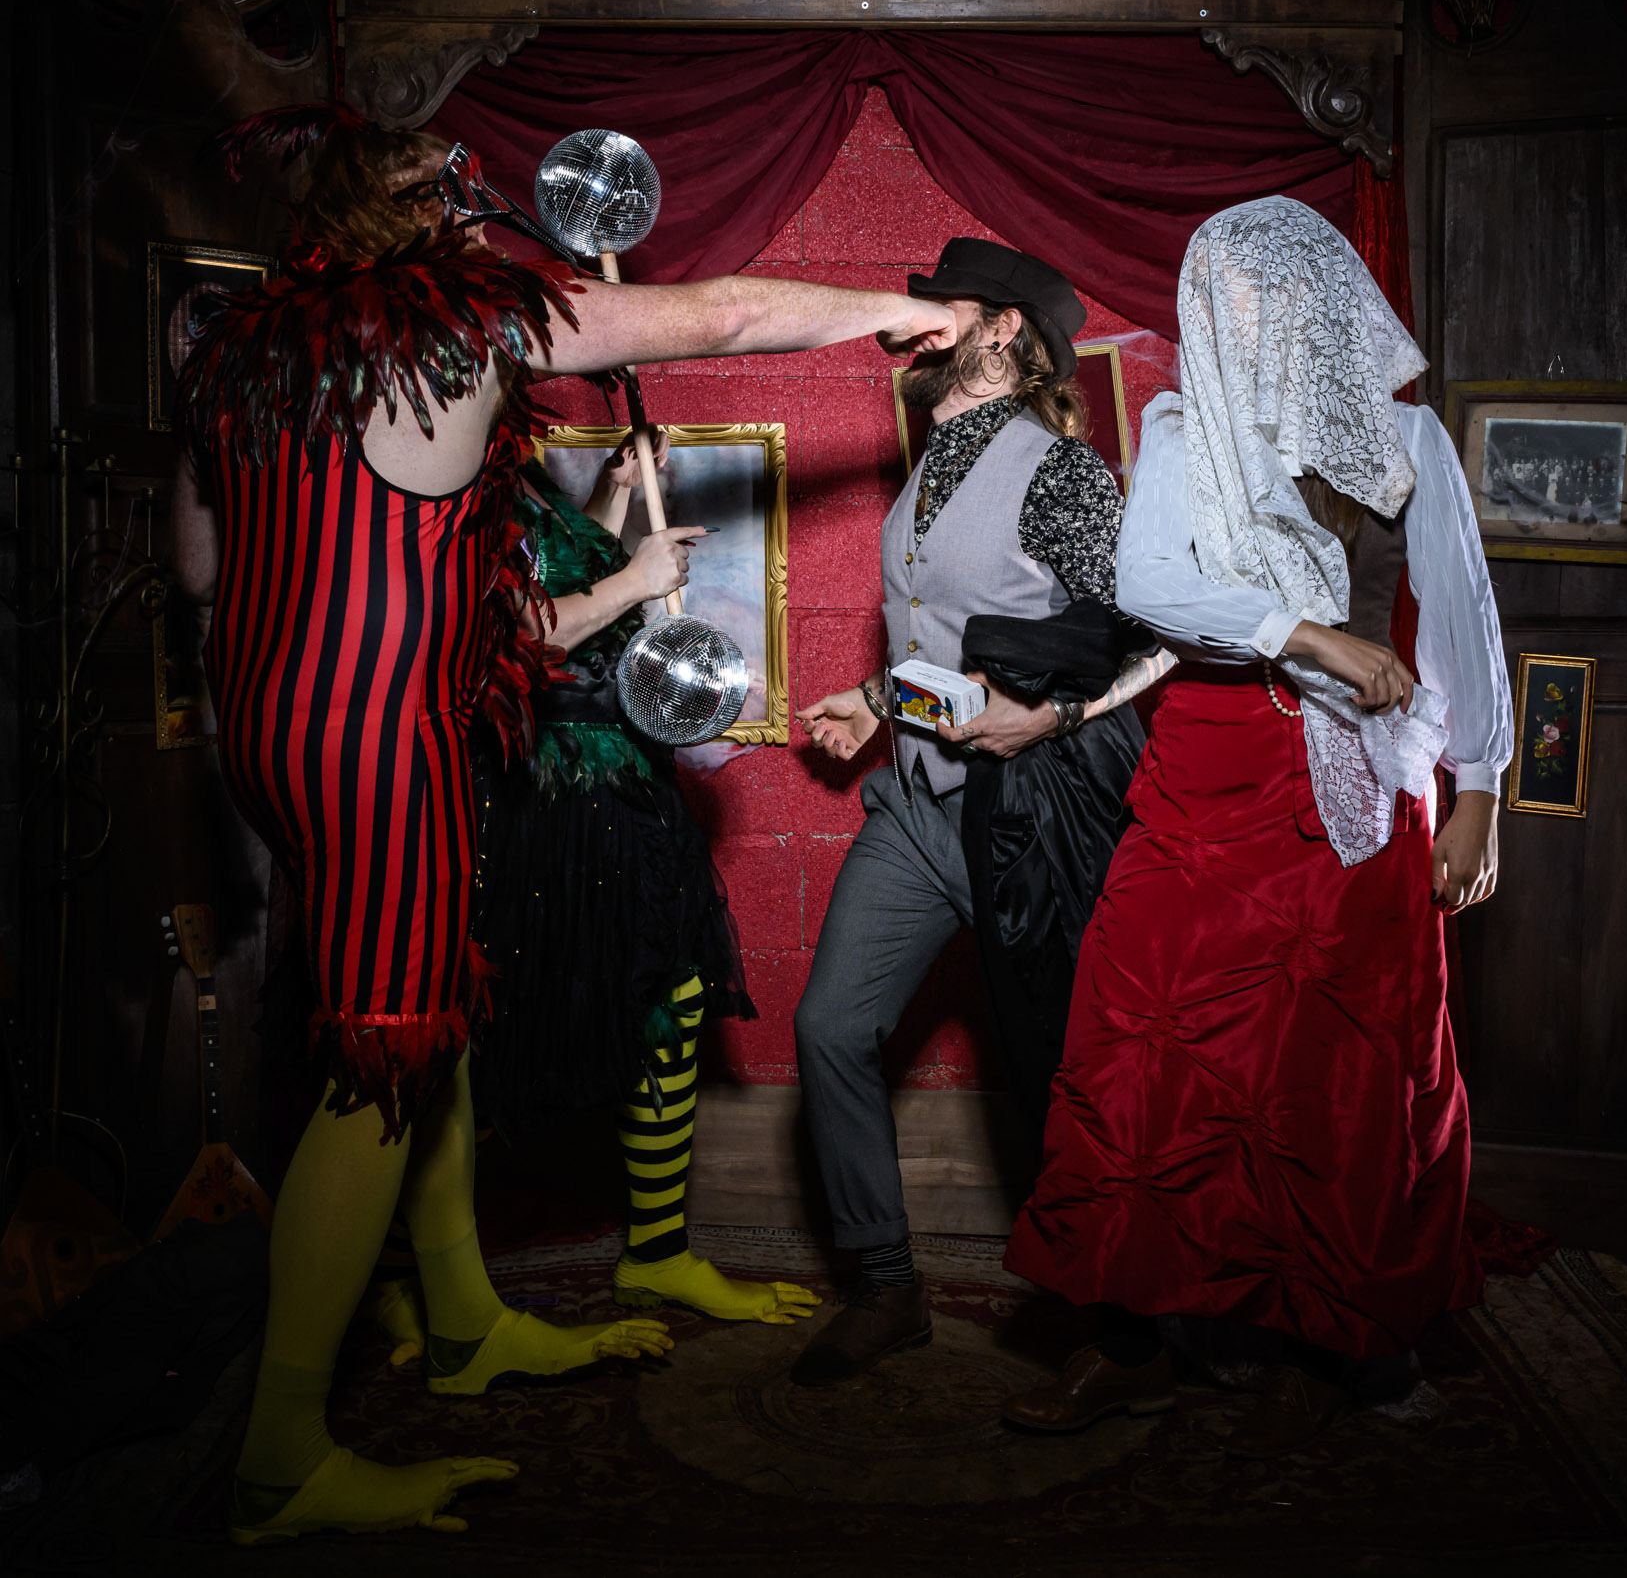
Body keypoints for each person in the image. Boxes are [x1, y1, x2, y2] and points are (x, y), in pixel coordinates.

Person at [171, 106, 955, 1544]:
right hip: (380, 739)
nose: (480, 214)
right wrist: (900, 310)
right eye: (455, 196)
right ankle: (279, 1455)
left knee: (430, 1026)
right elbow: (725, 314)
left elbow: (204, 569)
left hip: (266, 734)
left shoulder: (235, 356)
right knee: (375, 1066)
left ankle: (463, 1317)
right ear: (421, 216)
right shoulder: (464, 327)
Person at [1002, 196, 1512, 1457]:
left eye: (1262, 293)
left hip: (1362, 793)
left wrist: (1481, 788)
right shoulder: (1184, 431)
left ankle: (1339, 1345)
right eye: (1221, 298)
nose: (1240, 317)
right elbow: (1149, 583)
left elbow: (1461, 614)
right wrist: (1307, 635)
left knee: (1338, 1080)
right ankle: (1131, 1343)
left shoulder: (1409, 438)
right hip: (1208, 776)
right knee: (1143, 1052)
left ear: (1320, 299)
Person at [790, 239, 1165, 1388]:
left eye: (938, 306)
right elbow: (956, 651)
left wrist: (1050, 719)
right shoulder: (930, 459)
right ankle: (885, 1283)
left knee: (1062, 1065)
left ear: (1002, 329)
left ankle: (1120, 1320)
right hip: (917, 809)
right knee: (830, 1026)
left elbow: (1150, 641)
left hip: (1027, 819)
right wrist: (871, 700)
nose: (911, 324)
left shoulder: (1063, 474)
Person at [464, 433, 819, 1325]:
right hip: (541, 794)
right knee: (479, 1032)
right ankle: (400, 1275)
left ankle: (657, 1253)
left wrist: (616, 493)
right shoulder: (450, 487)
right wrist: (635, 581)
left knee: (671, 997)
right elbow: (513, 632)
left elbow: (557, 572)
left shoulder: (519, 479)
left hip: (618, 788)